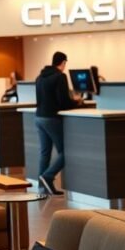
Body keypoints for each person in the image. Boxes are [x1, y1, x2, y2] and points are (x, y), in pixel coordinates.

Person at [34, 51, 81, 195]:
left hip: (39, 117)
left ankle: (42, 186)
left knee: (44, 152)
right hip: (51, 118)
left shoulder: (40, 76)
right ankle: (48, 176)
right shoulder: (60, 76)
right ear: (63, 62)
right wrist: (78, 102)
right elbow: (63, 102)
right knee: (66, 152)